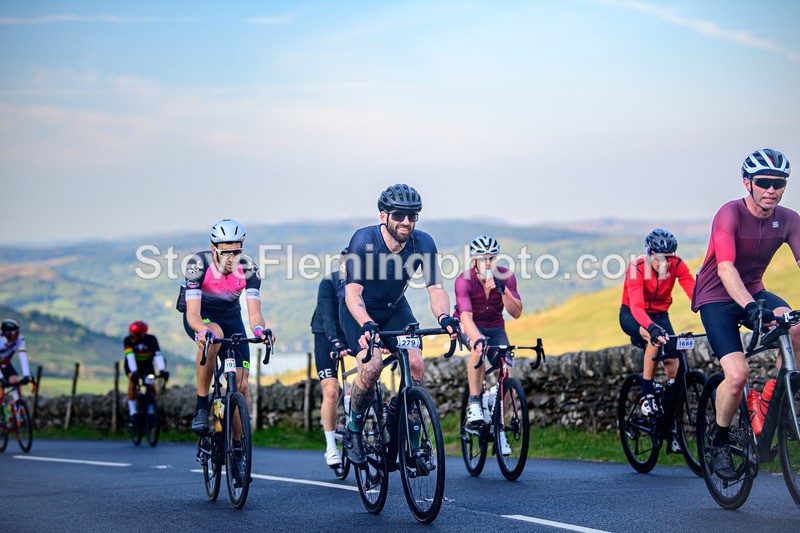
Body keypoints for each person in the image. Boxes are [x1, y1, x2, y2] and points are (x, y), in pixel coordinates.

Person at [691, 148, 800, 480]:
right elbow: (725, 268)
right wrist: (750, 307)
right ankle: (720, 439)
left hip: (754, 290)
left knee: (796, 327)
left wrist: (755, 302)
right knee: (737, 375)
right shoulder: (730, 214)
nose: (771, 189)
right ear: (747, 183)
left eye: (779, 183)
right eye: (764, 182)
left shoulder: (790, 219)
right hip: (716, 297)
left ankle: (774, 401)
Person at [339, 184, 458, 465]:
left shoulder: (423, 243)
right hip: (359, 310)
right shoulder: (364, 240)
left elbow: (436, 288)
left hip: (395, 308)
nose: (406, 222)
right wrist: (367, 324)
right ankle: (354, 429)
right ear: (384, 216)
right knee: (371, 367)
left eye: (412, 215)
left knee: (415, 365)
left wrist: (445, 317)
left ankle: (413, 446)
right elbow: (352, 292)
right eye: (399, 215)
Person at [182, 219, 272, 443]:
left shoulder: (248, 268)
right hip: (203, 316)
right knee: (214, 335)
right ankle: (201, 405)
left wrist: (260, 330)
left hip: (232, 318)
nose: (232, 258)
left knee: (242, 385)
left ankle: (239, 446)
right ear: (214, 250)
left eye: (237, 252)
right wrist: (201, 330)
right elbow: (192, 314)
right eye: (226, 253)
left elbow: (254, 314)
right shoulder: (198, 264)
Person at [619, 229, 695, 452]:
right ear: (650, 254)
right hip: (633, 315)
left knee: (675, 367)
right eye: (660, 259)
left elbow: (694, 291)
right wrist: (651, 328)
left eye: (669, 258)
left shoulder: (677, 265)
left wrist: (708, 310)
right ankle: (647, 393)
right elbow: (636, 307)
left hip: (661, 315)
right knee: (655, 338)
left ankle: (670, 426)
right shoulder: (637, 268)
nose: (665, 264)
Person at [455, 236, 522, 449]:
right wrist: (477, 340)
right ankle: (475, 402)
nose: (487, 263)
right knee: (478, 350)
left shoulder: (506, 277)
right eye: (482, 258)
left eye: (491, 258)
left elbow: (516, 312)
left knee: (506, 373)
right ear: (473, 260)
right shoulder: (464, 280)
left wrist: (504, 291)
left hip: (495, 328)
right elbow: (465, 317)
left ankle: (498, 426)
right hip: (469, 324)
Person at [310, 248, 351, 468]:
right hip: (326, 333)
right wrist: (334, 341)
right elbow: (326, 317)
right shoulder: (329, 282)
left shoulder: (366, 283)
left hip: (349, 330)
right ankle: (331, 447)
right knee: (332, 390)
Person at [124, 321, 168, 427]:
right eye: (132, 334)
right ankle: (133, 412)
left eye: (136, 335)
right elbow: (130, 357)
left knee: (152, 386)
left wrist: (162, 370)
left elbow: (157, 355)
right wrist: (134, 372)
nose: (133, 336)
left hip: (147, 366)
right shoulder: (127, 340)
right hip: (132, 365)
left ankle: (150, 411)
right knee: (132, 384)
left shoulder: (151, 339)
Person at [0, 318, 31, 386]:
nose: (18, 334)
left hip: (5, 364)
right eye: (16, 332)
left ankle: (16, 393)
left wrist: (26, 375)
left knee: (15, 381)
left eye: (18, 332)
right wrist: (1, 378)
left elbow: (23, 357)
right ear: (7, 333)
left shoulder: (20, 339)